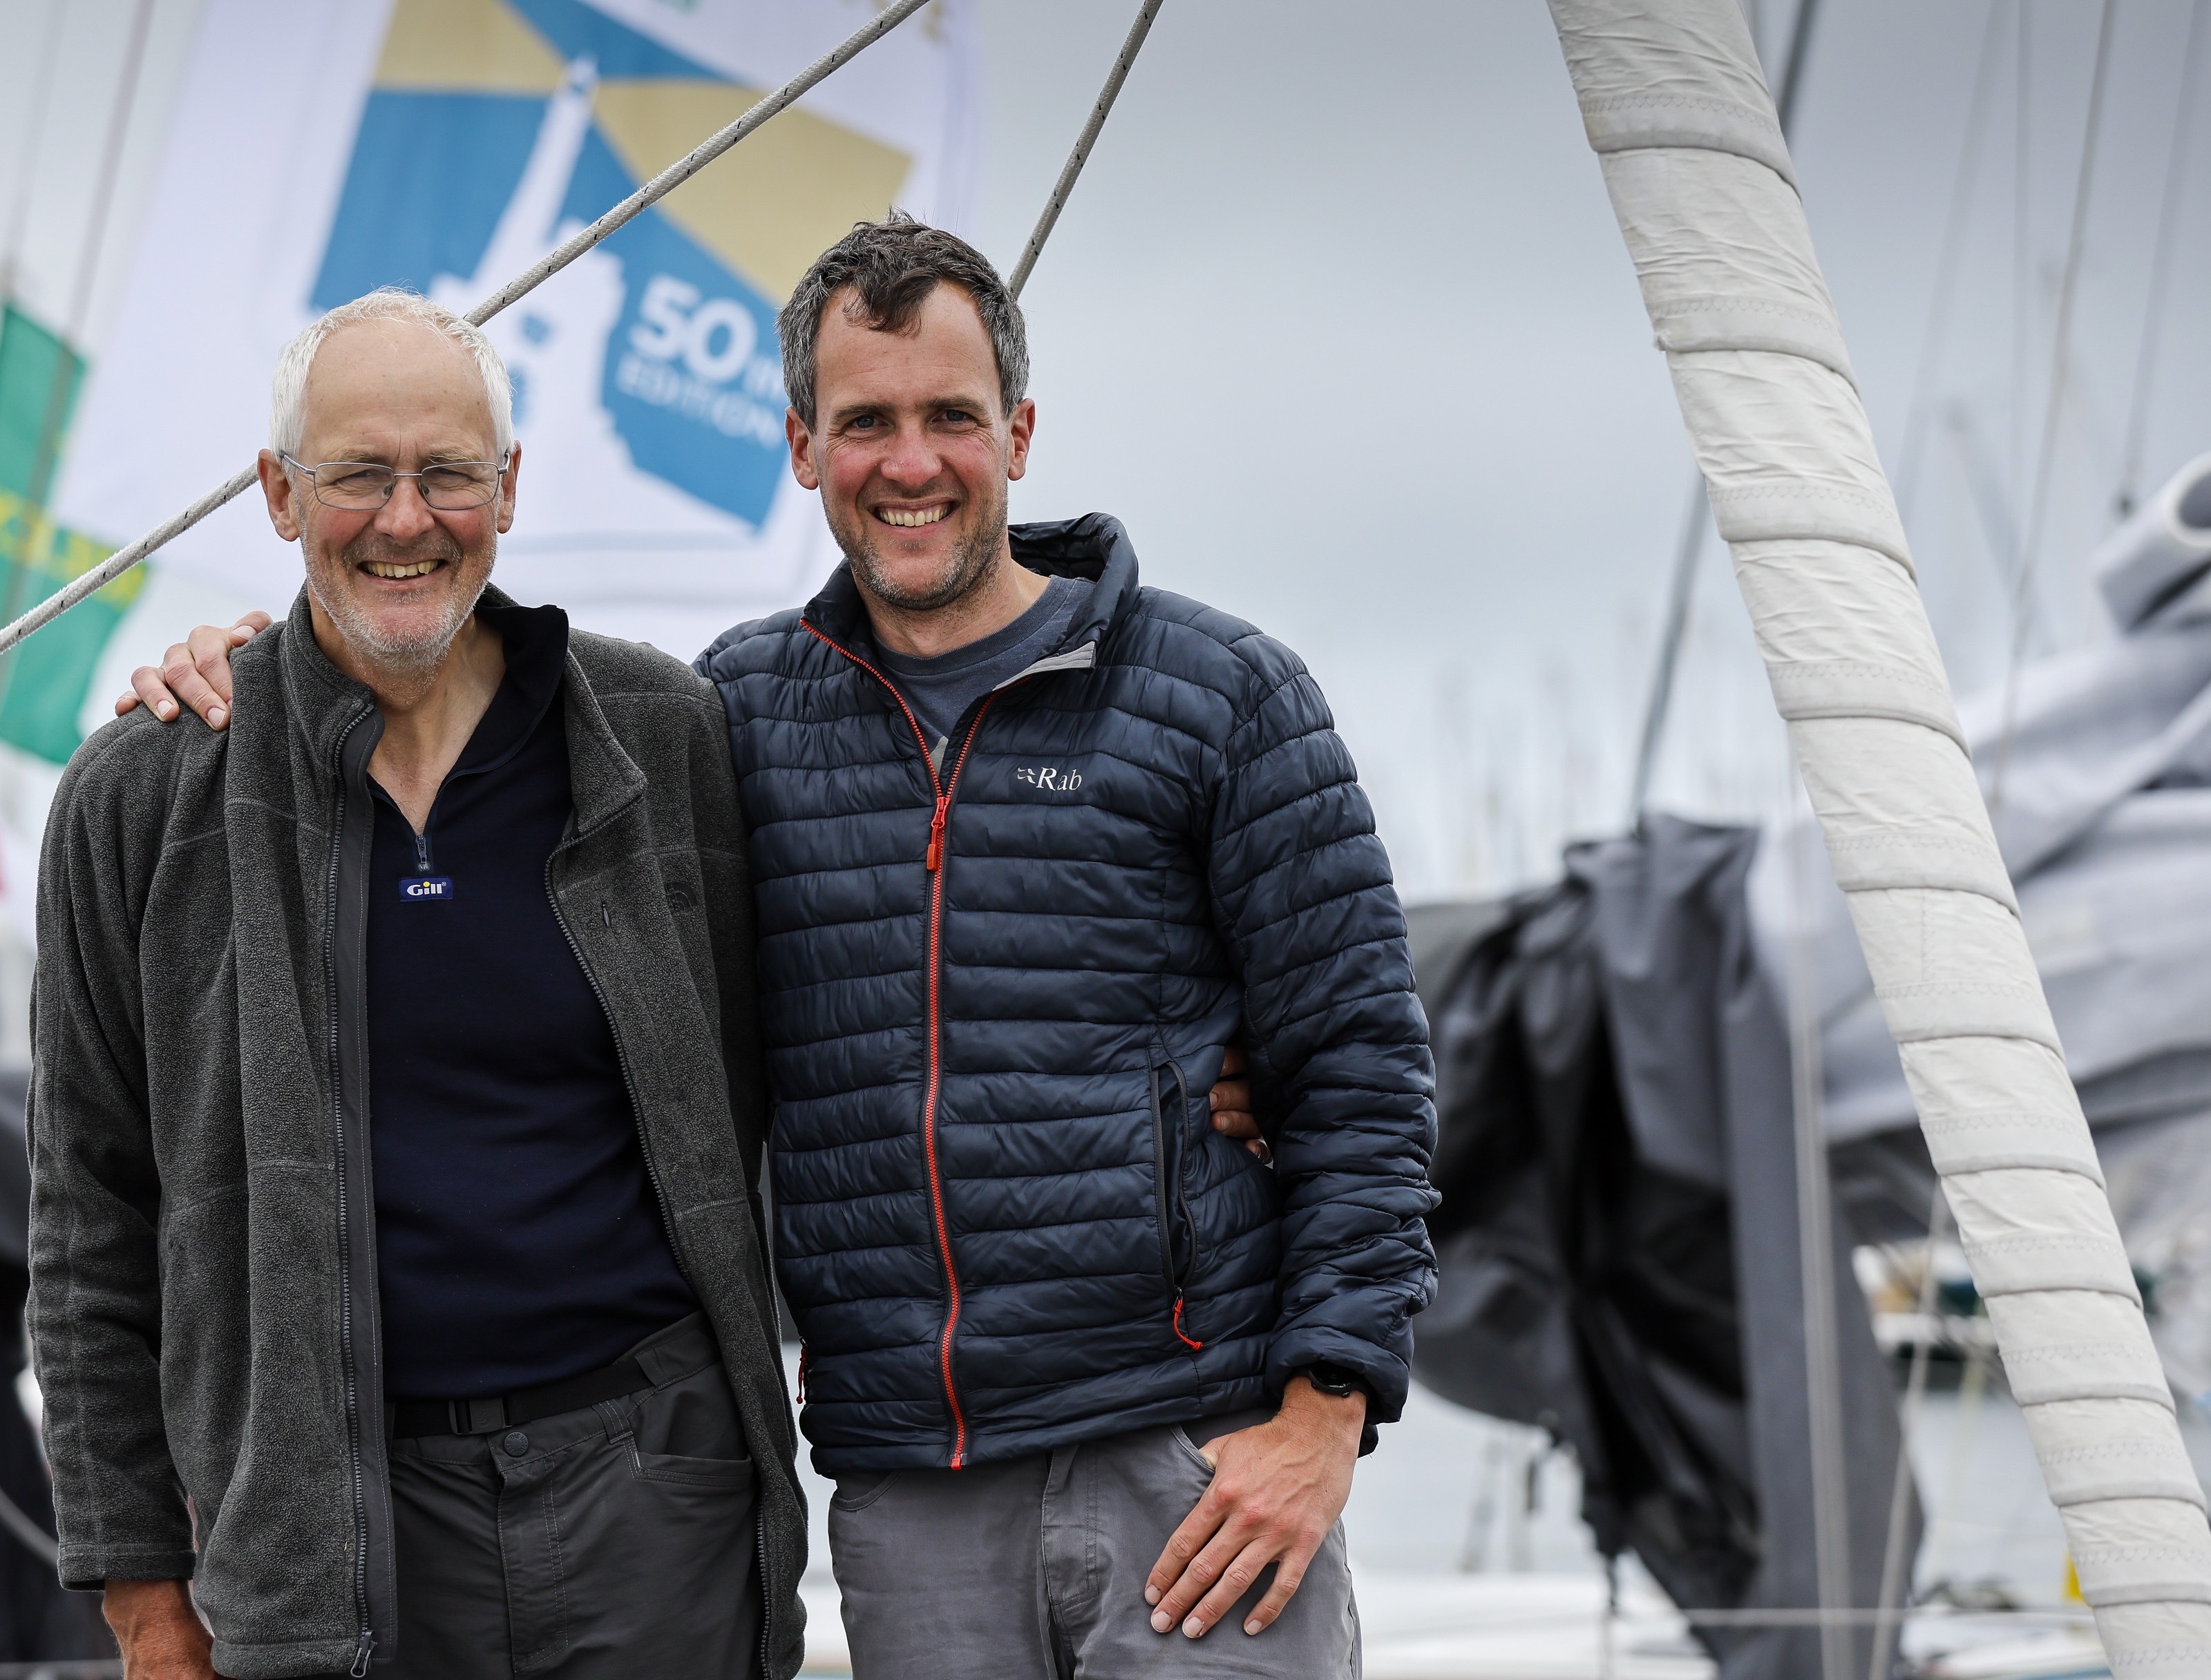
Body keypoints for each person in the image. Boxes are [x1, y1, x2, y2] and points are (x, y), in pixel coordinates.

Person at [124, 218, 1439, 1678]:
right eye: (864, 422)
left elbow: (1365, 1072)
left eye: (950, 416)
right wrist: (254, 660)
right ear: (805, 450)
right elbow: (399, 651)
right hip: (911, 1484)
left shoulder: (1220, 695)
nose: (912, 461)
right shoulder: (724, 718)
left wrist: (1326, 1417)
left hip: (1190, 1455)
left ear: (1019, 430)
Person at [30, 289, 806, 1680]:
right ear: (278, 494)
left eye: (448, 474)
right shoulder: (143, 799)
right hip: (328, 1530)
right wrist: (146, 1600)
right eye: (356, 477)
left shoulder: (662, 737)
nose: (405, 519)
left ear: (507, 489)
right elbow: (88, 1216)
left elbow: (808, 1060)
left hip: (653, 1498)